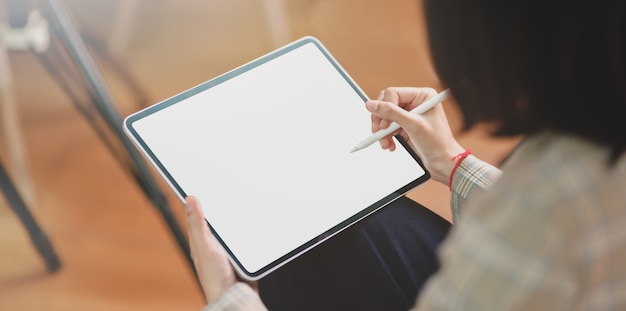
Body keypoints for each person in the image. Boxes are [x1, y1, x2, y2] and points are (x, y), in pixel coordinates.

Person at [184, 0, 626, 309]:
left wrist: (229, 299)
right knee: (356, 226)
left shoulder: (542, 200)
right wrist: (454, 164)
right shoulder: (584, 163)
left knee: (282, 262)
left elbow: (546, 221)